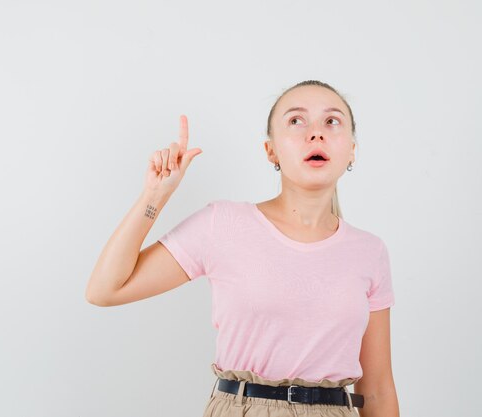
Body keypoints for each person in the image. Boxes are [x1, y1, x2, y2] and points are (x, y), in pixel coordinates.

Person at [85, 80, 399, 417]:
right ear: (271, 150)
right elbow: (105, 290)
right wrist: (155, 195)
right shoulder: (222, 224)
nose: (316, 134)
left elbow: (377, 390)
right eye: (296, 121)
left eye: (332, 121)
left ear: (351, 149)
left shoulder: (369, 252)